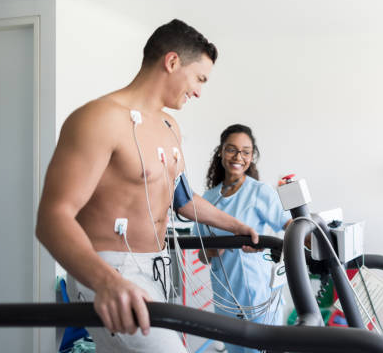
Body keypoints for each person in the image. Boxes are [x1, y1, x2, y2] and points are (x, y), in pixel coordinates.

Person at [36, 19, 259, 353]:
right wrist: (106, 281)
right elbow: (53, 218)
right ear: (171, 62)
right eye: (199, 78)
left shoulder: (170, 127)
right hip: (111, 269)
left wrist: (237, 227)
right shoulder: (99, 119)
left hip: (158, 267)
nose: (199, 91)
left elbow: (182, 200)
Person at [192, 124, 291, 353]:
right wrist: (212, 251)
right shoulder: (206, 200)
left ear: (251, 156)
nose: (238, 157)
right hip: (225, 299)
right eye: (232, 149)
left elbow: (289, 227)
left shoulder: (260, 192)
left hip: (260, 297)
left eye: (246, 151)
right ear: (220, 152)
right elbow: (201, 255)